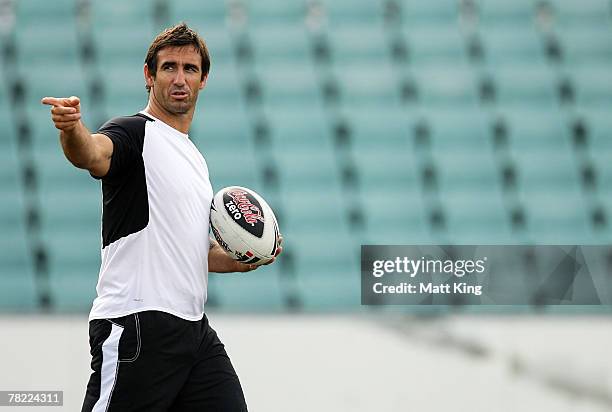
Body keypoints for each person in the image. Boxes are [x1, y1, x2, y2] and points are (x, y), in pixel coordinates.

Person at [42, 23, 280, 412]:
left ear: (204, 79)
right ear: (149, 76)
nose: (180, 78)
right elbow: (93, 154)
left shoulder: (194, 158)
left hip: (194, 331)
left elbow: (192, 252)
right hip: (138, 322)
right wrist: (72, 130)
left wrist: (244, 259)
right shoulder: (133, 131)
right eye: (169, 67)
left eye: (190, 69)